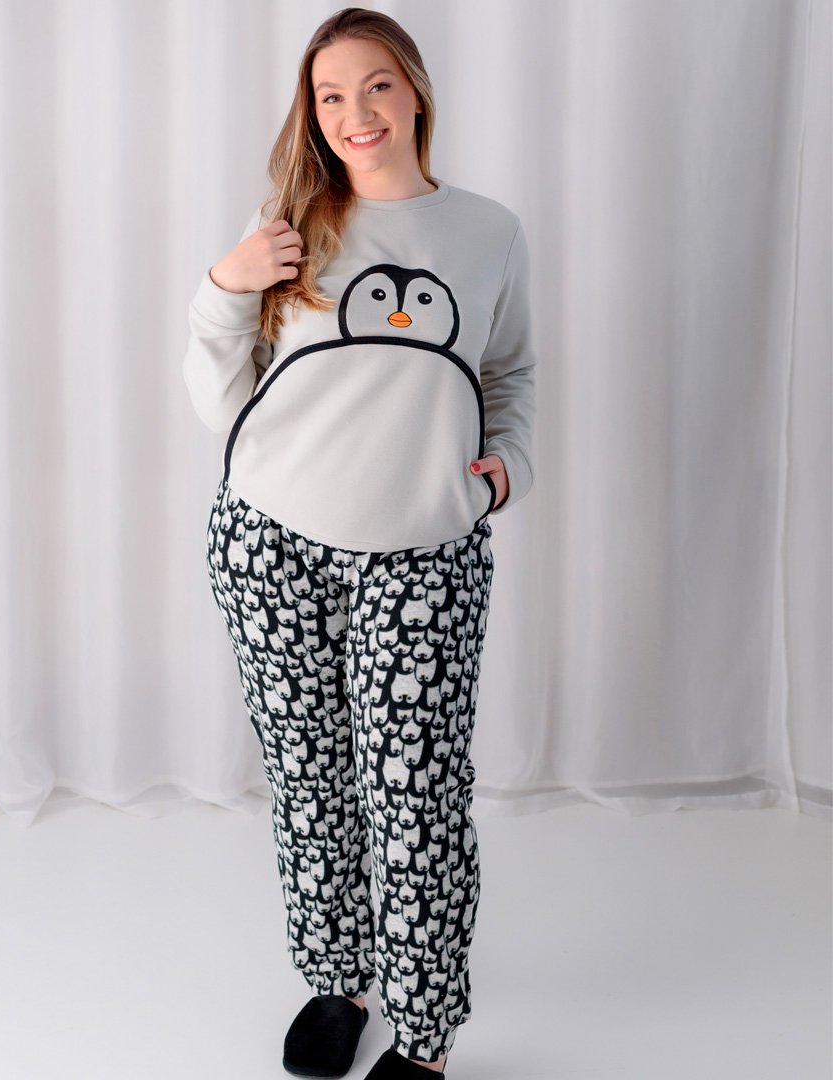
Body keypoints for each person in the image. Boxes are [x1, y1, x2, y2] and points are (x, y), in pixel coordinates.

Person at [183, 8, 536, 1078]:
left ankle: (424, 1039)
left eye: (375, 85)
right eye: (330, 96)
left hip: (425, 551)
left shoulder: (488, 232)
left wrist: (507, 467)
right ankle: (339, 978)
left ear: (415, 89)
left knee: (416, 795)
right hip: (270, 542)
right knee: (311, 782)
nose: (355, 114)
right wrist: (225, 283)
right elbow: (220, 390)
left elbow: (508, 371)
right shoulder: (291, 224)